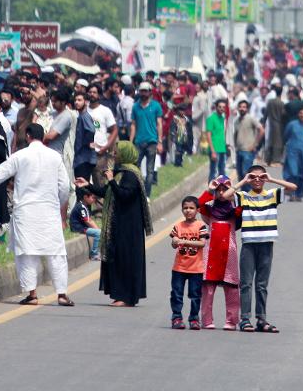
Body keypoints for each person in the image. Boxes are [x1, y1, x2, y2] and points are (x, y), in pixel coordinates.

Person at [0, 123, 74, 306]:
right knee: (56, 252)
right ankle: (62, 294)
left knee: (26, 253)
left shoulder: (20, 156)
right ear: (42, 137)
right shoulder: (55, 157)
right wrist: (59, 207)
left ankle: (32, 294)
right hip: (49, 211)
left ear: (27, 136)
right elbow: (64, 187)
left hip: (25, 212)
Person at [75, 140, 153, 306]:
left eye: (117, 153)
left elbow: (124, 195)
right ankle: (120, 295)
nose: (114, 156)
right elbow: (107, 192)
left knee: (125, 259)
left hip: (128, 227)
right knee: (118, 259)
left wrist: (111, 180)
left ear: (125, 155)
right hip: (119, 225)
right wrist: (88, 185)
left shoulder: (131, 174)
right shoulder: (121, 172)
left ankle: (126, 297)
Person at [230, 164, 298, 333]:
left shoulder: (272, 195)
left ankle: (261, 319)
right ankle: (245, 319)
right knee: (246, 283)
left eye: (261, 177)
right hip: (249, 244)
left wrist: (272, 178)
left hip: (266, 244)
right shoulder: (244, 196)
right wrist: (244, 181)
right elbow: (225, 195)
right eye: (253, 177)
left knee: (262, 284)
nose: (257, 180)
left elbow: (293, 187)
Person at [198, 176, 241, 330]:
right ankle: (207, 320)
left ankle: (232, 320)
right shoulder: (209, 209)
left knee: (231, 286)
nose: (222, 193)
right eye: (219, 190)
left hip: (229, 252)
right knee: (208, 286)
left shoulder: (236, 209)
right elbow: (199, 204)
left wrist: (234, 189)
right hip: (211, 252)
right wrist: (209, 190)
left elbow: (240, 203)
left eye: (225, 189)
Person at [169, 195, 209, 330]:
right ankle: (176, 317)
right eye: (185, 208)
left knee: (195, 295)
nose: (188, 210)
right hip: (179, 268)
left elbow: (202, 243)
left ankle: (194, 318)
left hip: (196, 269)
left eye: (191, 208)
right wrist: (174, 242)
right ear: (182, 210)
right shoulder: (178, 226)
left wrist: (184, 241)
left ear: (197, 210)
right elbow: (174, 244)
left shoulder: (201, 226)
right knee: (176, 293)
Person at [130, 82, 164, 194]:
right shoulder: (135, 106)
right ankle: (138, 191)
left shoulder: (156, 106)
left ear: (150, 92)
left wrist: (160, 142)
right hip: (139, 141)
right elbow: (133, 125)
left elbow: (159, 124)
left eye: (145, 91)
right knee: (135, 168)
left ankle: (147, 194)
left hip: (152, 141)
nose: (143, 93)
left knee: (150, 170)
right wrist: (131, 142)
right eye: (141, 91)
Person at [283, 105, 303, 201]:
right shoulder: (292, 125)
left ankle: (299, 195)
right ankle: (292, 193)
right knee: (293, 173)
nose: (302, 115)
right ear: (298, 114)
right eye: (301, 113)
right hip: (293, 153)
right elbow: (285, 136)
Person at [232, 98, 264, 181]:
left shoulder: (251, 119)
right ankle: (243, 193)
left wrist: (255, 145)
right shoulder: (236, 121)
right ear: (238, 108)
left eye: (244, 107)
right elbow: (235, 135)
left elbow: (261, 130)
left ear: (247, 109)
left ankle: (248, 193)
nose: (242, 108)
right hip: (239, 151)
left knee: (246, 174)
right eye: (240, 107)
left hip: (248, 151)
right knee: (240, 175)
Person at [69, 187, 101, 261]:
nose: (94, 200)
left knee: (99, 231)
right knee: (98, 233)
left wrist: (98, 229)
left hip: (82, 227)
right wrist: (98, 231)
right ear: (85, 197)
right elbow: (88, 221)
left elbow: (90, 220)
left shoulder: (84, 206)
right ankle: (94, 254)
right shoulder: (81, 207)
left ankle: (96, 251)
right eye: (93, 198)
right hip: (78, 228)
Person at [205, 99, 229, 183]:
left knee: (222, 171)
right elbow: (208, 135)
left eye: (223, 107)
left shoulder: (223, 118)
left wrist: (226, 145)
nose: (222, 109)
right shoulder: (211, 118)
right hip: (214, 149)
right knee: (213, 172)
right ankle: (211, 192)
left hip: (222, 148)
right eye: (220, 107)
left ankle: (222, 190)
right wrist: (213, 151)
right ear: (216, 107)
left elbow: (223, 133)